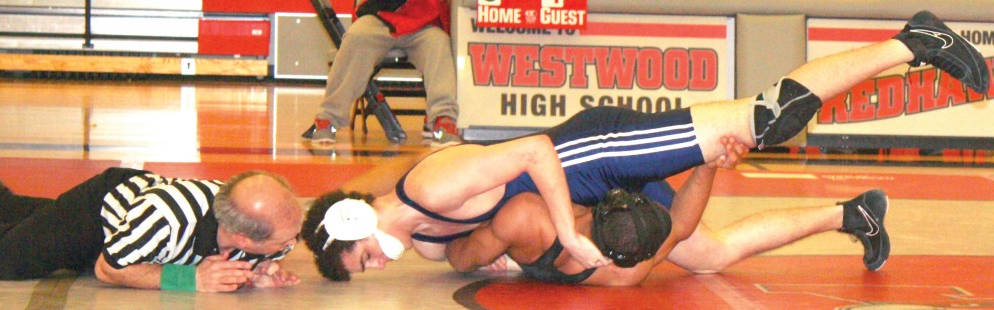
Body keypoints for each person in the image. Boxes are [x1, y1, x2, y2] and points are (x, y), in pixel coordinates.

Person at [299, 10, 988, 281]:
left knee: (761, 120)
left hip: (588, 156)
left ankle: (914, 41)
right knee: (709, 253)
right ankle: (853, 215)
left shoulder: (430, 190)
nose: (376, 265)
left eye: (363, 257)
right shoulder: (421, 234)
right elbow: (485, 250)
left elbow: (536, 149)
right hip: (588, 183)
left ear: (354, 222)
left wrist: (568, 235)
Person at [444, 163, 892, 286]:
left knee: (710, 254)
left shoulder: (625, 270)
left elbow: (677, 226)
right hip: (582, 164)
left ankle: (849, 214)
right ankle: (852, 213)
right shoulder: (525, 214)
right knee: (712, 255)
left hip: (622, 207)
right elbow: (456, 253)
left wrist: (708, 165)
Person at [0, 167, 303, 292]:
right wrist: (191, 279)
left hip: (138, 220)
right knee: (9, 258)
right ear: (243, 237)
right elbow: (108, 267)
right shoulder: (168, 217)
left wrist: (258, 269)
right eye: (283, 241)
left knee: (38, 222)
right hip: (97, 215)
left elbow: (261, 246)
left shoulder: (270, 230)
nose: (291, 245)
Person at [301, 0, 461, 146]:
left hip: (424, 22)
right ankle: (329, 117)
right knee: (356, 37)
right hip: (379, 17)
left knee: (439, 44)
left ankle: (443, 118)